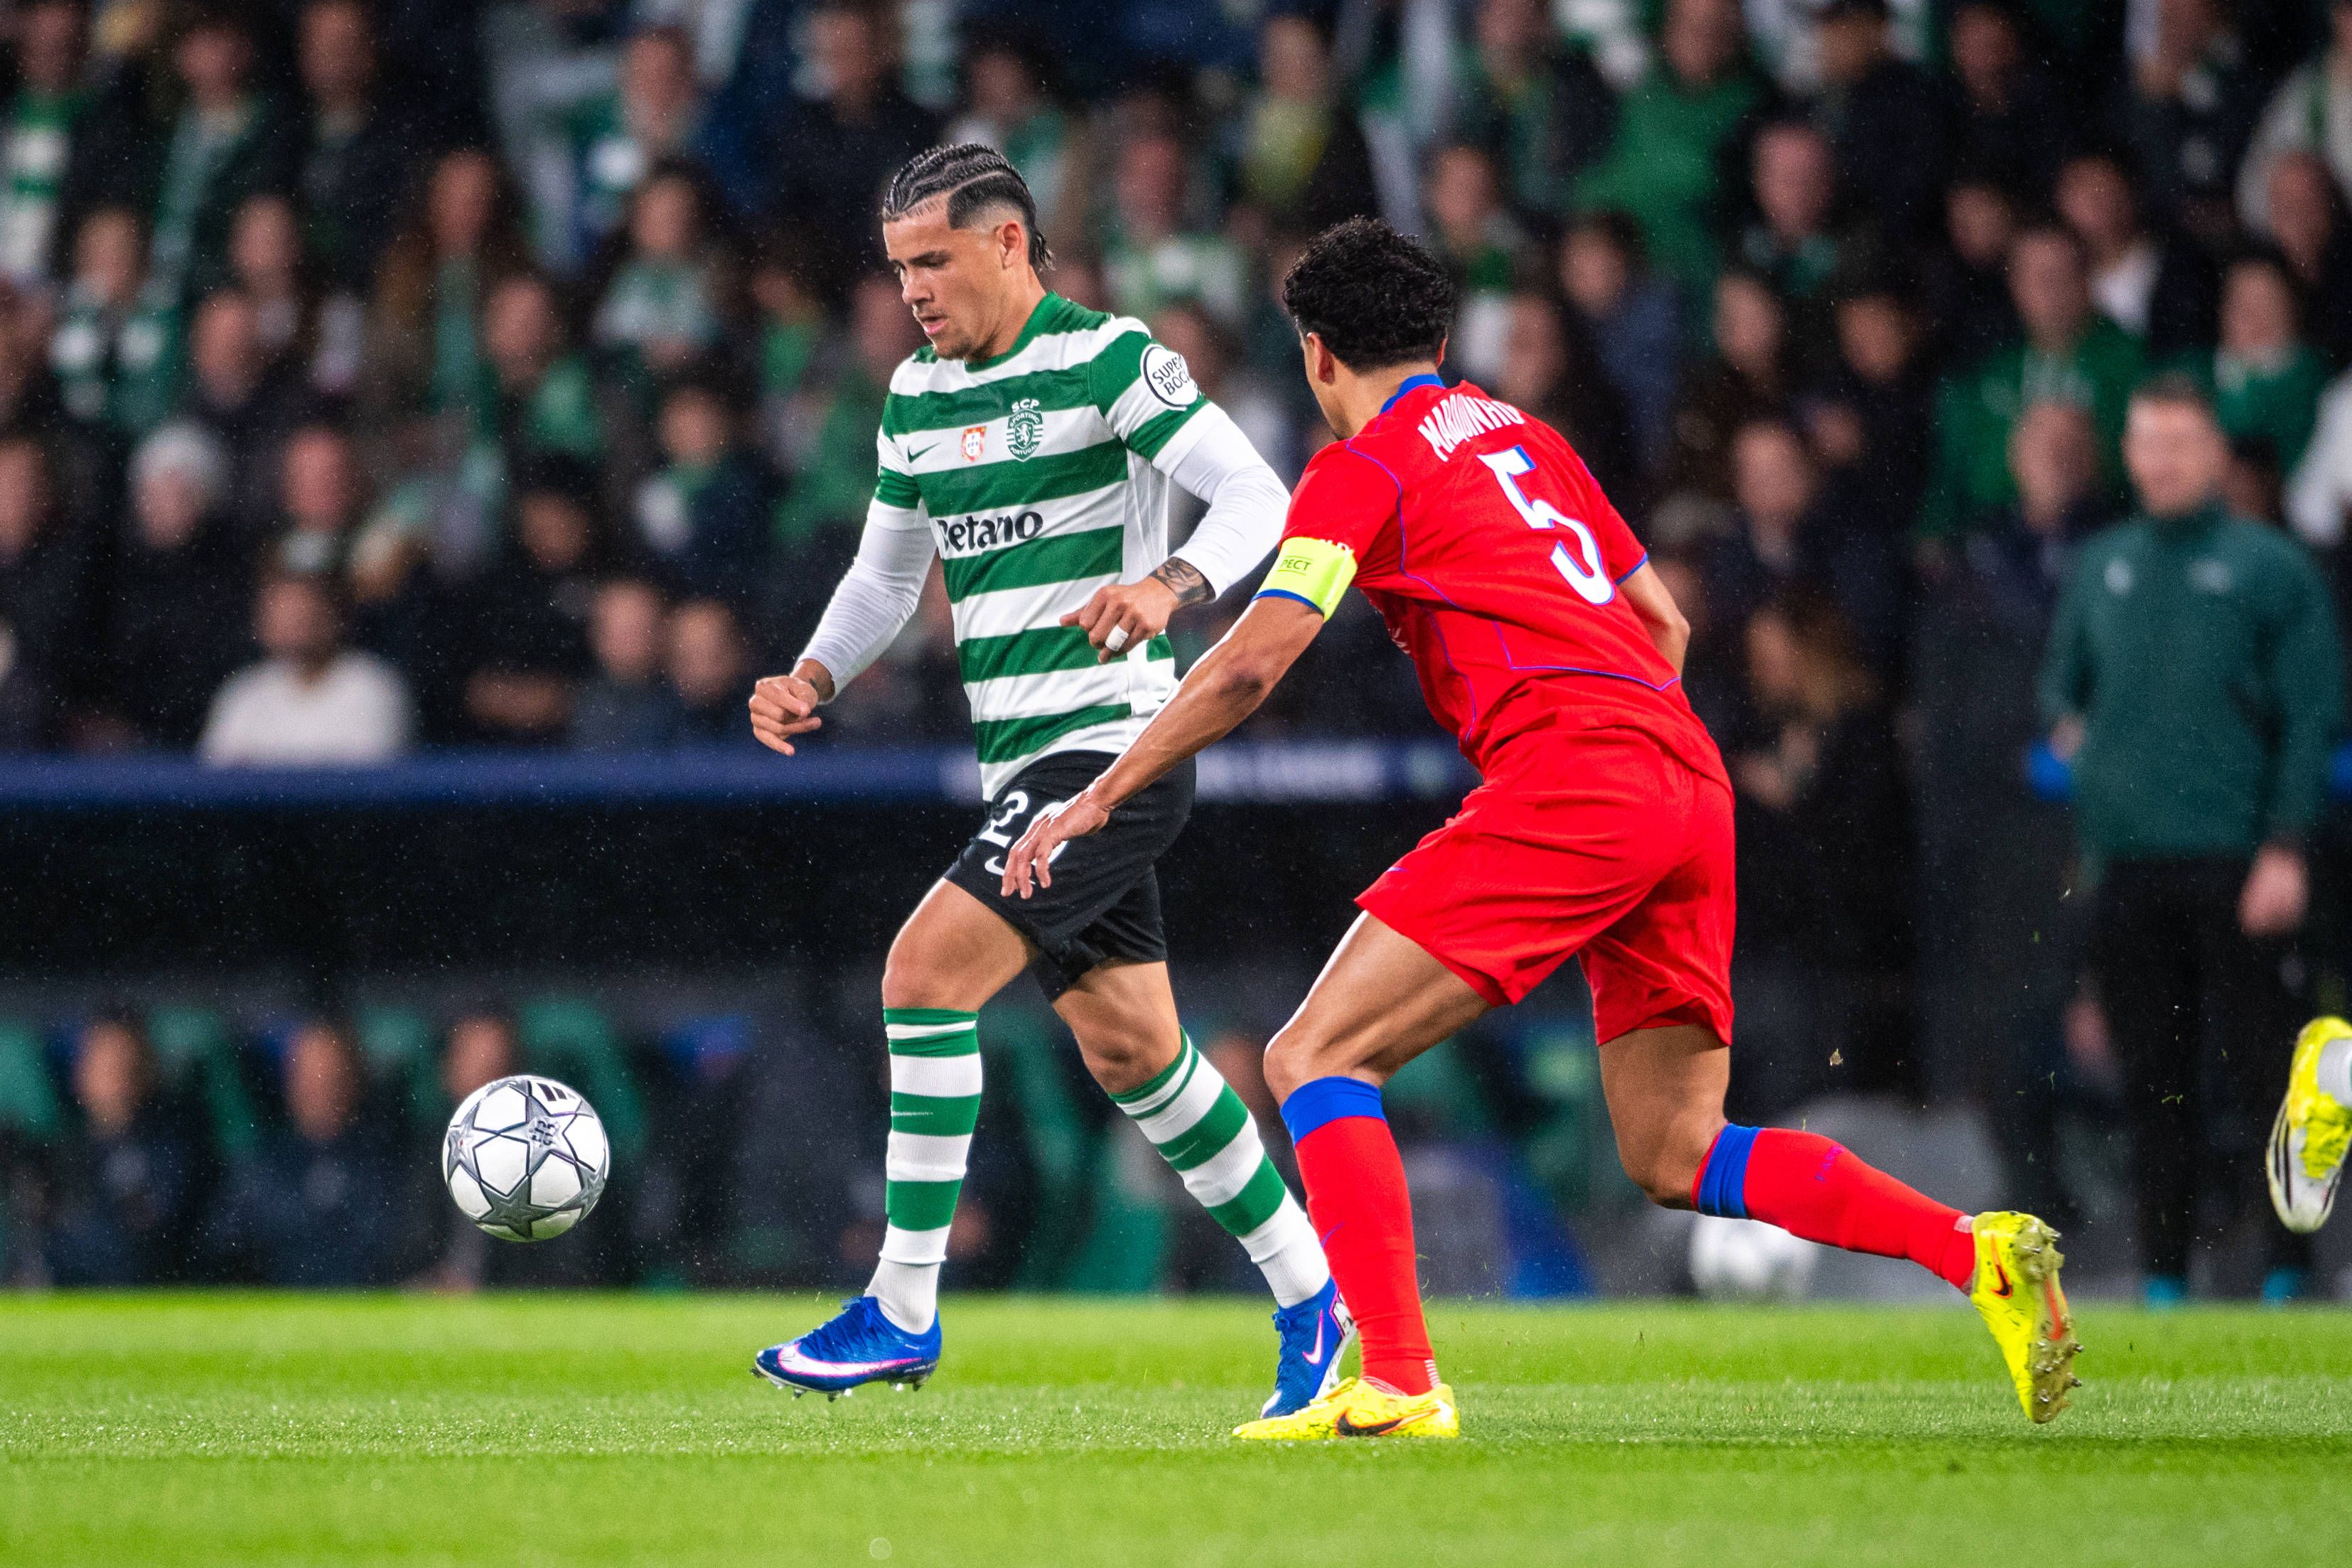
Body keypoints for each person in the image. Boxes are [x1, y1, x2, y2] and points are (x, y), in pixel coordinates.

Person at [1003, 217, 2080, 1439]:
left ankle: (1398, 1379)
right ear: (1442, 338)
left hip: (1577, 778)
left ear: (1313, 356)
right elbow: (1662, 626)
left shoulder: (1360, 467)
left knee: (1312, 1057)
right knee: (1674, 1148)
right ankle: (1973, 1250)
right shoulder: (1525, 433)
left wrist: (1099, 791)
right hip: (1683, 776)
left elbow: (1253, 666)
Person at [741, 145, 1336, 1417]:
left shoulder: (1107, 358)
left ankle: (899, 1308)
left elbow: (1256, 495)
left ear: (1008, 244)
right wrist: (814, 673)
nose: (911, 290)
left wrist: (1167, 586)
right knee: (1136, 1056)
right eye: (898, 266)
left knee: (921, 972)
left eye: (933, 261)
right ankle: (1314, 1297)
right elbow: (887, 579)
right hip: (1022, 765)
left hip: (1110, 752)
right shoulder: (912, 394)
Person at [2040, 375, 2343, 1303]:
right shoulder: (2102, 564)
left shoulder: (2270, 568)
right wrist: (2069, 729)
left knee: (2264, 1076)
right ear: (2126, 455)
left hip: (2237, 857)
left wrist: (2287, 846)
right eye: (2147, 443)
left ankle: (2290, 1268)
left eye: (2179, 443)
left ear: (2213, 454)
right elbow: (2059, 683)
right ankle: (2164, 1276)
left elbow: (2310, 716)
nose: (2162, 461)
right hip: (2128, 860)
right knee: (2150, 1082)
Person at [199, 569, 413, 764]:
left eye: (302, 611)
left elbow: (372, 778)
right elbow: (218, 775)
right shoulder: (245, 691)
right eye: (281, 613)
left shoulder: (372, 686)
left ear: (333, 617)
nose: (292, 624)